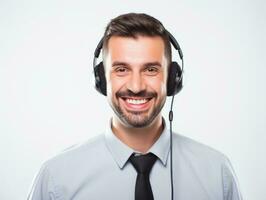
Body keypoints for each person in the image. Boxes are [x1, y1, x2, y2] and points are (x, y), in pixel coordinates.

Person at [27, 13, 242, 200]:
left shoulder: (217, 173)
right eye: (121, 69)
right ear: (102, 79)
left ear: (171, 79)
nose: (136, 87)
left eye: (150, 69)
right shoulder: (56, 179)